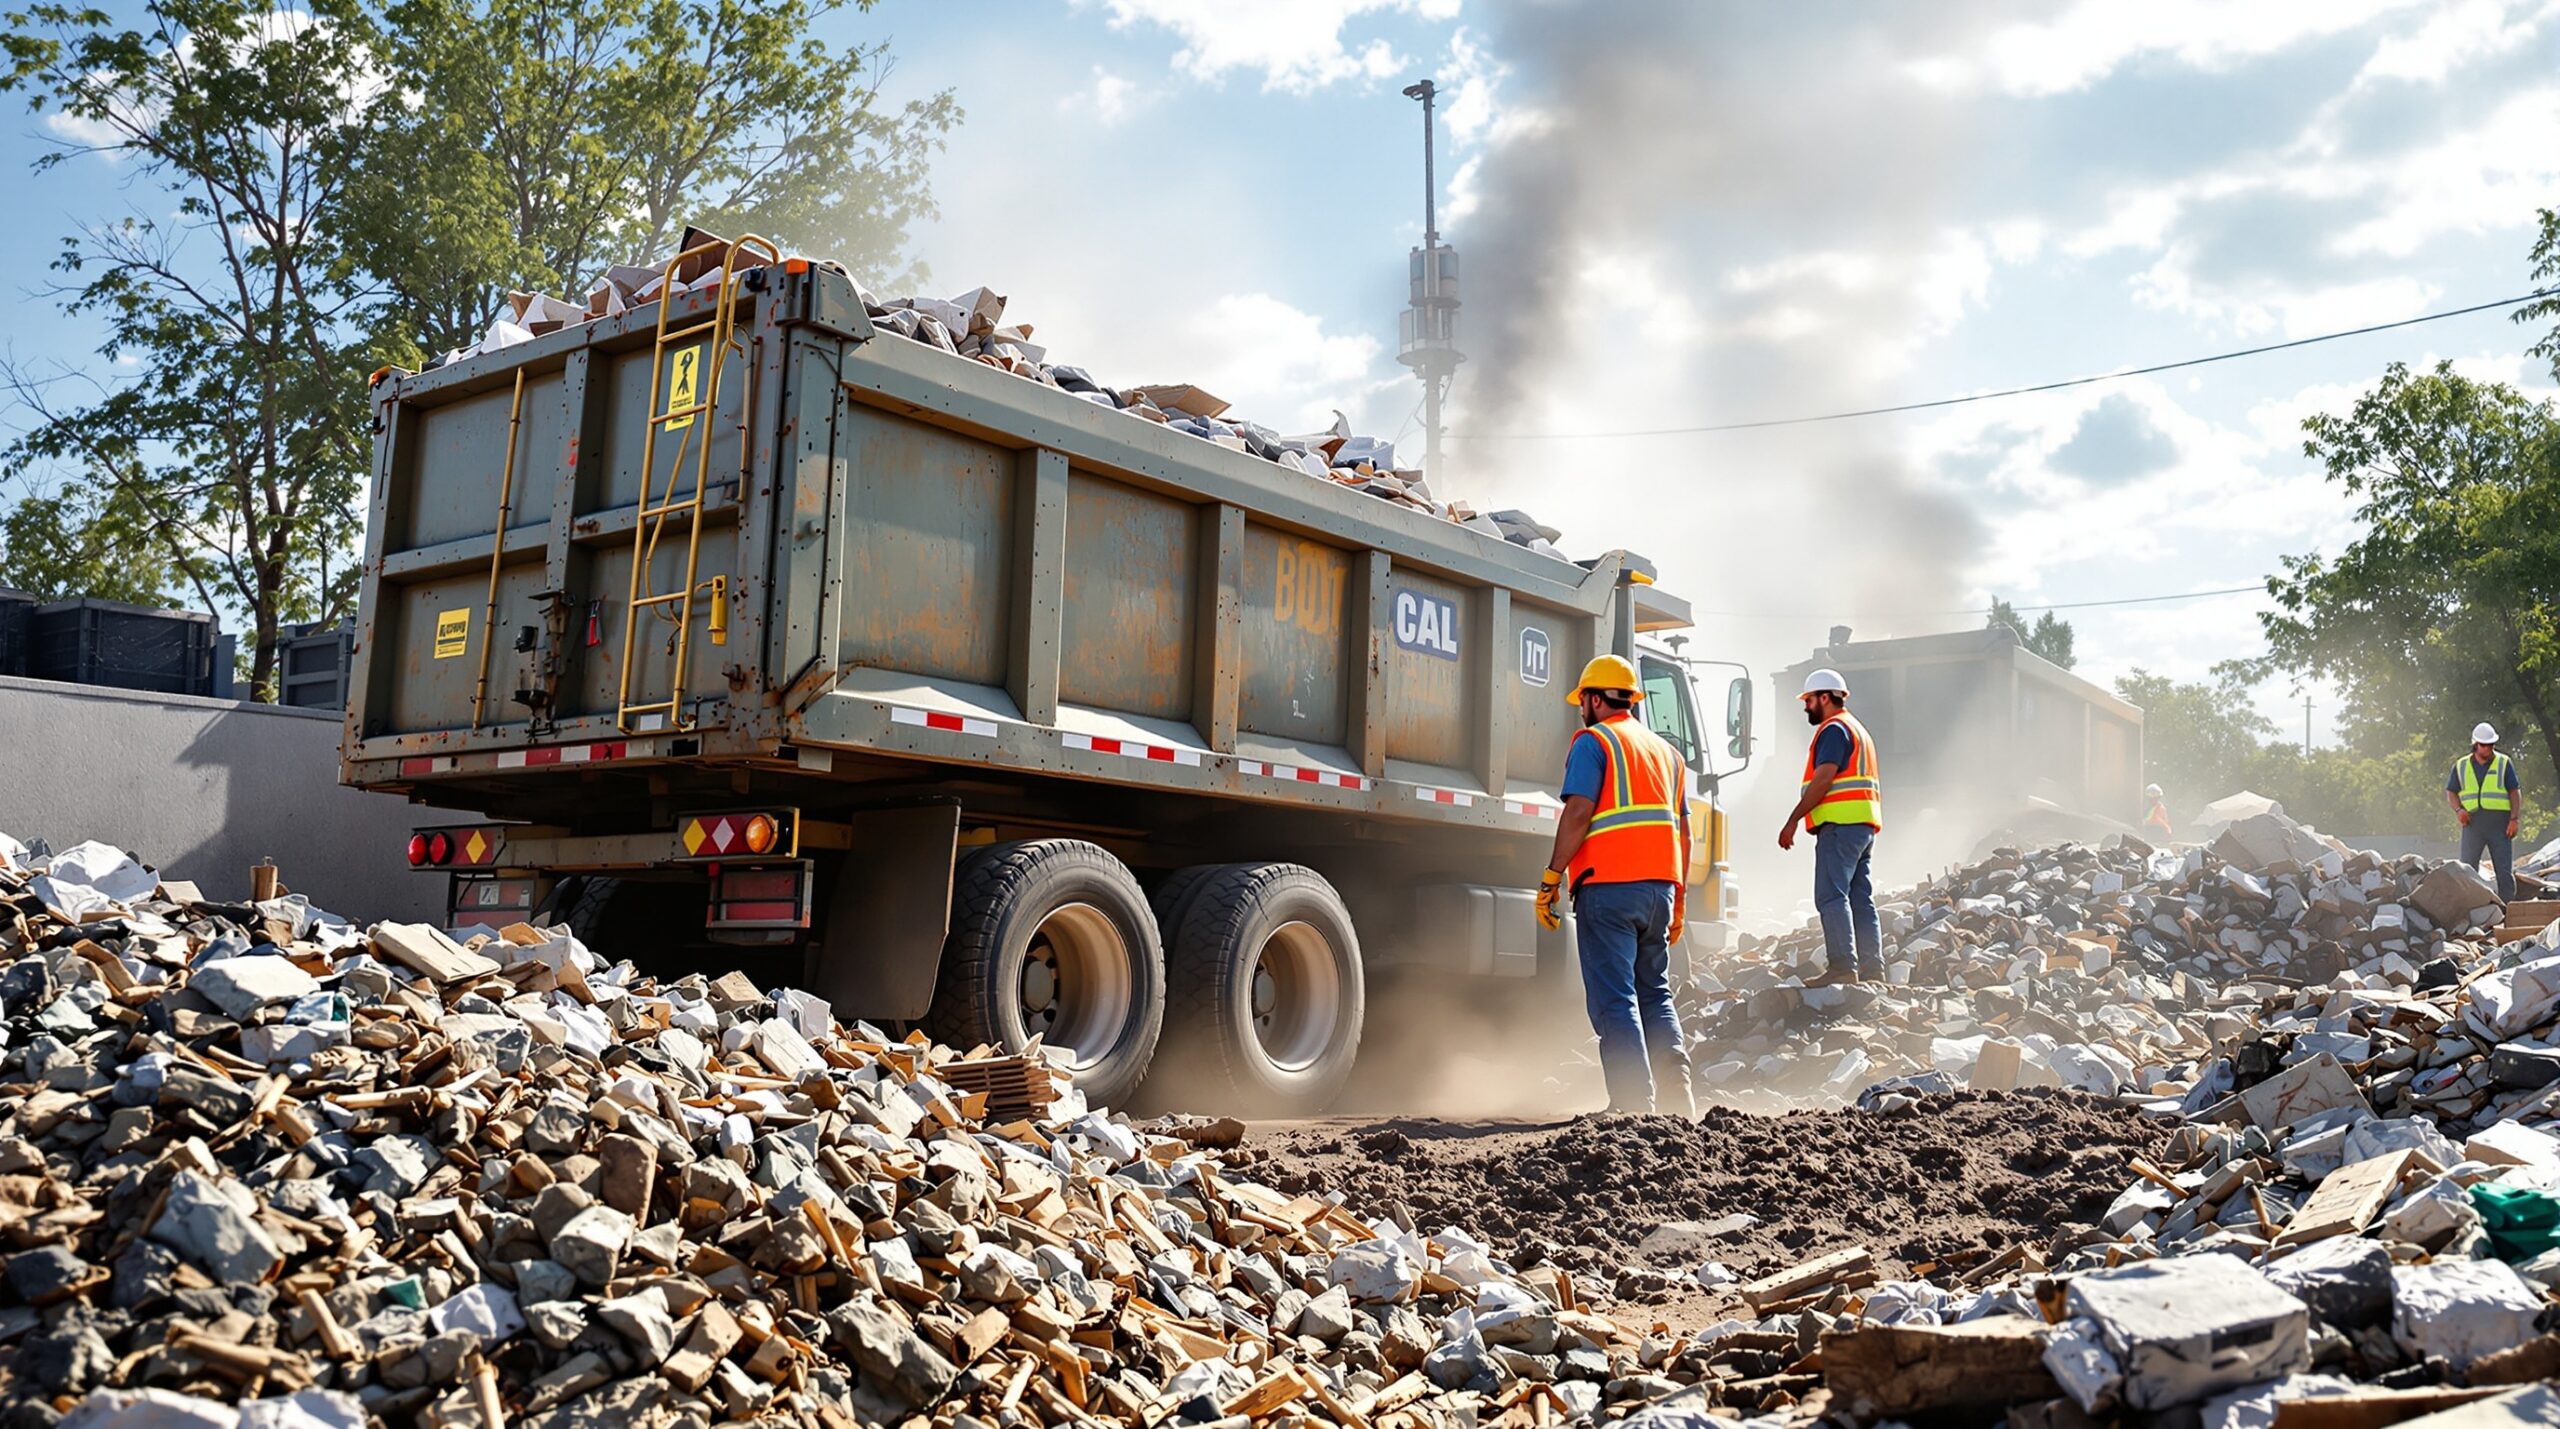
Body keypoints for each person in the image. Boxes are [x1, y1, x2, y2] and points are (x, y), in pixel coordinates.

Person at [1533, 654, 1695, 1115]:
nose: (1579, 707)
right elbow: (1684, 832)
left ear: (1597, 698)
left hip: (1608, 888)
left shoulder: (1593, 742)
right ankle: (1678, 1100)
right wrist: (1679, 899)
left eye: (1582, 699)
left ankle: (1632, 1105)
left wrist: (1551, 877)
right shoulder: (1669, 754)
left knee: (1615, 998)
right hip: (1660, 891)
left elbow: (1579, 812)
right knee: (1655, 993)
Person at [1777, 668, 1884, 982]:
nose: (1806, 706)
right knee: (1860, 898)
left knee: (1831, 896)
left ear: (1825, 697)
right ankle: (1872, 969)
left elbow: (1824, 778)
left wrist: (1793, 819)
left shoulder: (1834, 729)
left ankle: (1842, 968)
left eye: (1809, 700)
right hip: (1863, 827)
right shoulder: (1858, 729)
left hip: (1839, 827)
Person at [2447, 721, 2522, 900]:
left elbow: (2515, 791)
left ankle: (2507, 912)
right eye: (2483, 745)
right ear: (2475, 744)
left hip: (2500, 825)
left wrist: (2514, 819)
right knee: (2467, 870)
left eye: (2490, 744)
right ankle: (2469, 911)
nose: (2487, 748)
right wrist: (2459, 810)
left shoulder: (2504, 763)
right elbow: (2451, 791)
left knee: (2504, 872)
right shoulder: (2461, 765)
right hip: (2473, 825)